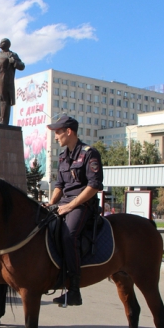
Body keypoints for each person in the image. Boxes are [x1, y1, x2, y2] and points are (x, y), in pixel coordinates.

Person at [46, 116, 104, 306]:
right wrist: (50, 204)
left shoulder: (90, 153)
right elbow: (59, 185)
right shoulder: (63, 156)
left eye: (58, 132)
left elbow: (94, 186)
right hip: (63, 203)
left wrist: (70, 206)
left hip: (83, 204)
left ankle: (74, 290)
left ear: (68, 131)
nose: (56, 137)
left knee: (68, 236)